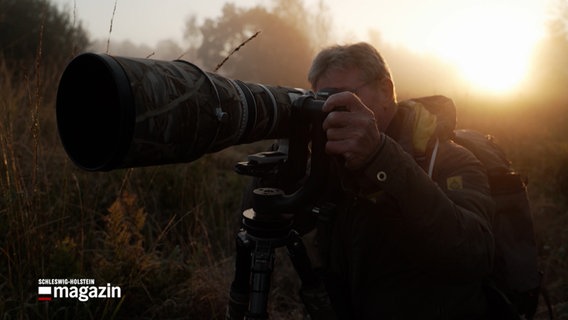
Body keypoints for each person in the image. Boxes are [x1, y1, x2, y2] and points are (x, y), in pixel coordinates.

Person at [304, 42, 495, 319]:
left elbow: (475, 253)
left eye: (342, 97)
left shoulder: (448, 159)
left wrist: (380, 158)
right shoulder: (334, 161)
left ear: (385, 90)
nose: (331, 110)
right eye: (322, 99)